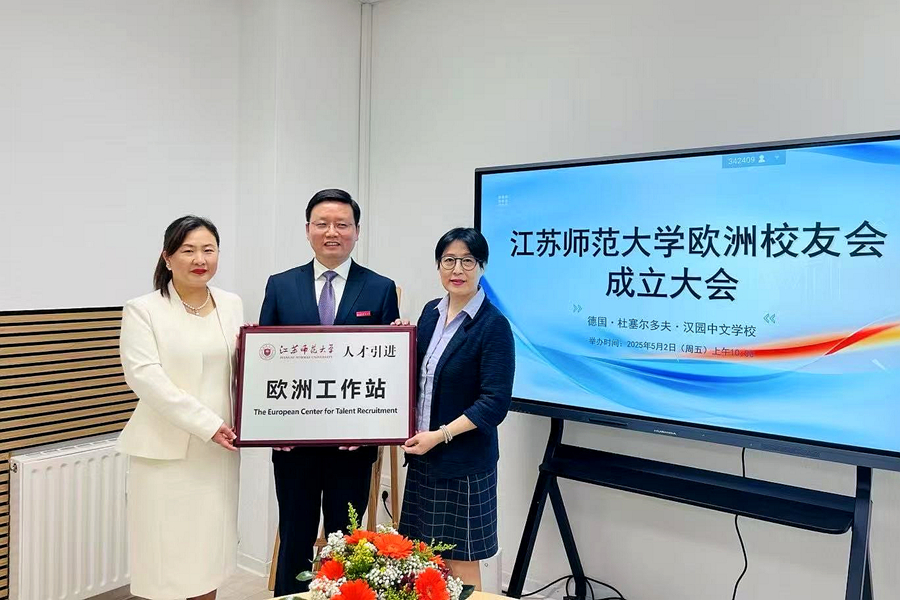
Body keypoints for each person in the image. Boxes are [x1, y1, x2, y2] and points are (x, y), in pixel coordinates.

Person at [260, 188, 400, 596]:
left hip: (351, 447)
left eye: (342, 224)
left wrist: (370, 430)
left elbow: (386, 370)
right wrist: (271, 429)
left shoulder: (380, 288)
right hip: (293, 446)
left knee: (347, 545)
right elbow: (265, 364)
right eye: (322, 224)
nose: (332, 232)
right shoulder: (280, 286)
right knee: (294, 539)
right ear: (308, 229)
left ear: (357, 231)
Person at [117, 215, 244, 600]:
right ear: (167, 257)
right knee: (166, 561)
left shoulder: (231, 303)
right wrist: (207, 423)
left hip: (218, 453)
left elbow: (243, 369)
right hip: (165, 454)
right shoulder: (143, 309)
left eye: (208, 250)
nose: (199, 259)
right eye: (188, 250)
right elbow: (145, 378)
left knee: (208, 556)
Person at [396, 227, 515, 589]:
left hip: (463, 465)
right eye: (449, 260)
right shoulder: (429, 314)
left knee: (461, 563)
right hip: (424, 457)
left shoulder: (493, 326)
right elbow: (417, 377)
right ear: (438, 266)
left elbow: (493, 404)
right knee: (422, 557)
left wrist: (441, 435)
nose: (457, 269)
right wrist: (398, 339)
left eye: (468, 260)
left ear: (482, 267)